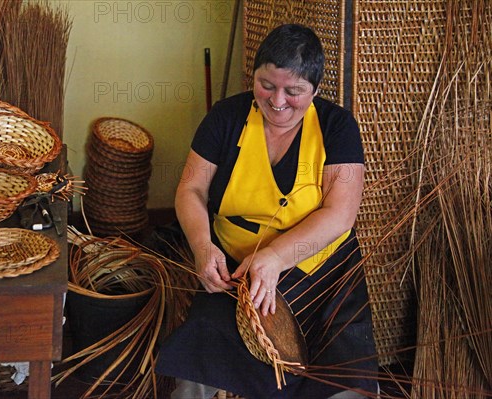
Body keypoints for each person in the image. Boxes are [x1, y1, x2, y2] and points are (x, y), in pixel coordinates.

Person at [155, 24, 379, 399]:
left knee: (341, 377)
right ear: (254, 77)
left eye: (294, 92)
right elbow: (191, 189)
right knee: (204, 358)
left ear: (315, 91)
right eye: (266, 85)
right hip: (236, 268)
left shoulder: (336, 127)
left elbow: (341, 214)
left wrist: (275, 258)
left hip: (320, 267)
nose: (277, 101)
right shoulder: (226, 118)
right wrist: (201, 246)